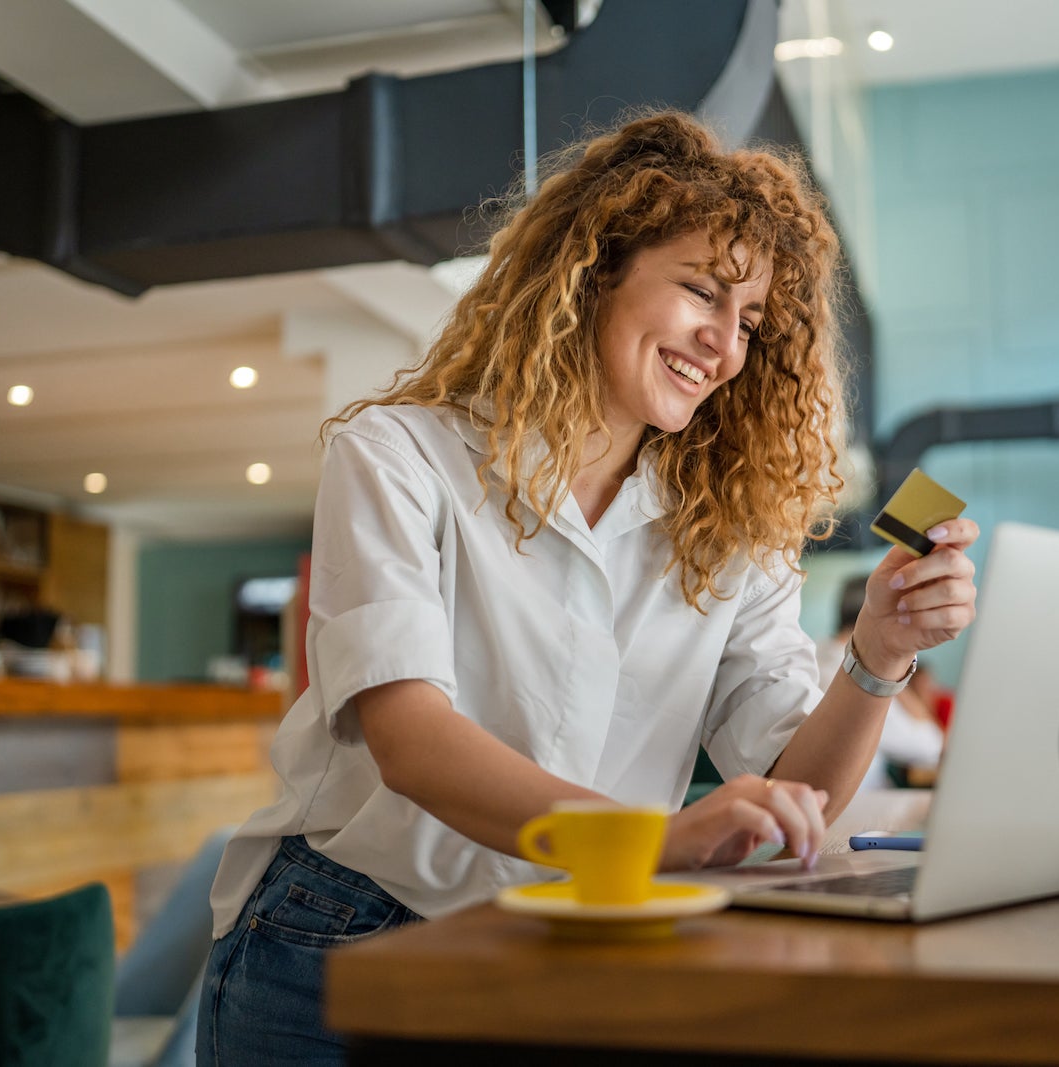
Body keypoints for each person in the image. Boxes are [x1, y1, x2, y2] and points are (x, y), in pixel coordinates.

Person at [198, 111, 980, 1065]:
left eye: (751, 323)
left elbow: (793, 798)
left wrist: (878, 654)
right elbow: (411, 740)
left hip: (570, 930)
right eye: (701, 290)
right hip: (345, 933)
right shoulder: (402, 456)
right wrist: (654, 842)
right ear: (596, 267)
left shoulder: (727, 524)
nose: (725, 346)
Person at [815, 575, 944, 789]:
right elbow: (930, 746)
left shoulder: (818, 653)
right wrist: (895, 671)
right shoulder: (857, 676)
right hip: (860, 806)